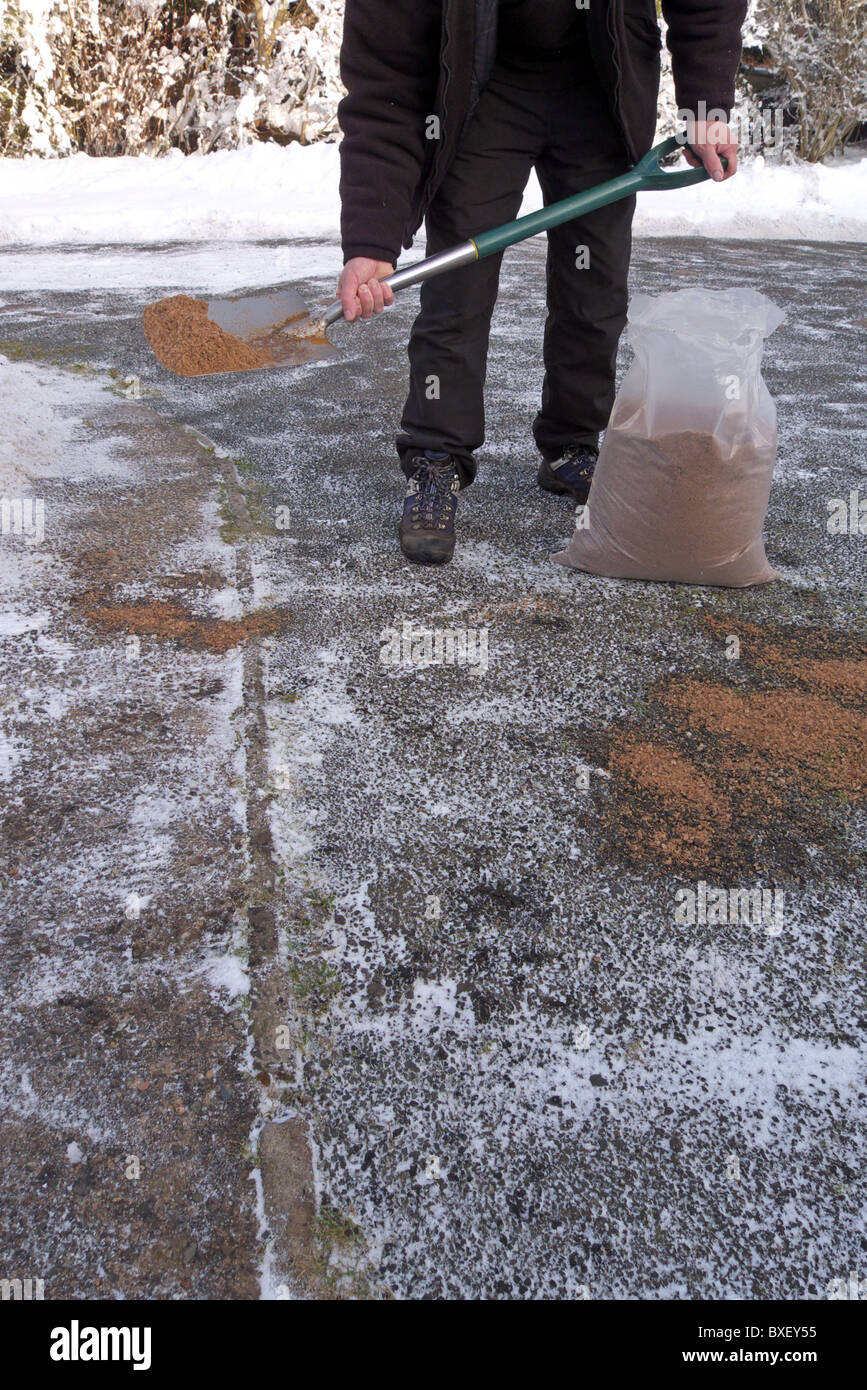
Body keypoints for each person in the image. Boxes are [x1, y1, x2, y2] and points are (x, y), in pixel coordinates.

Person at [336, 1, 744, 565]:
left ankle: (573, 444)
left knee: (594, 283)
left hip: (604, 76)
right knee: (458, 281)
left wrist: (706, 102)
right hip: (482, 85)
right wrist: (370, 240)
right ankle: (436, 457)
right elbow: (384, 78)